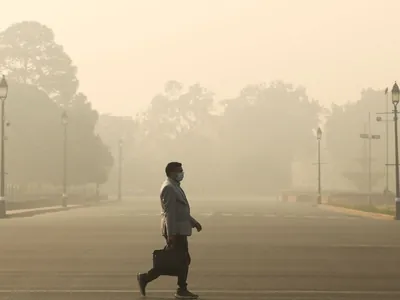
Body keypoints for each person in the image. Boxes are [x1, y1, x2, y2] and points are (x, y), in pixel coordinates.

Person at [137, 162, 202, 299]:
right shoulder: (169, 188)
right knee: (181, 260)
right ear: (172, 173)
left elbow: (181, 211)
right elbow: (170, 213)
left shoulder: (174, 186)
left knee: (178, 260)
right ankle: (181, 289)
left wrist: (193, 222)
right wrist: (171, 233)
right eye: (179, 171)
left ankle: (146, 278)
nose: (182, 173)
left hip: (179, 230)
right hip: (176, 231)